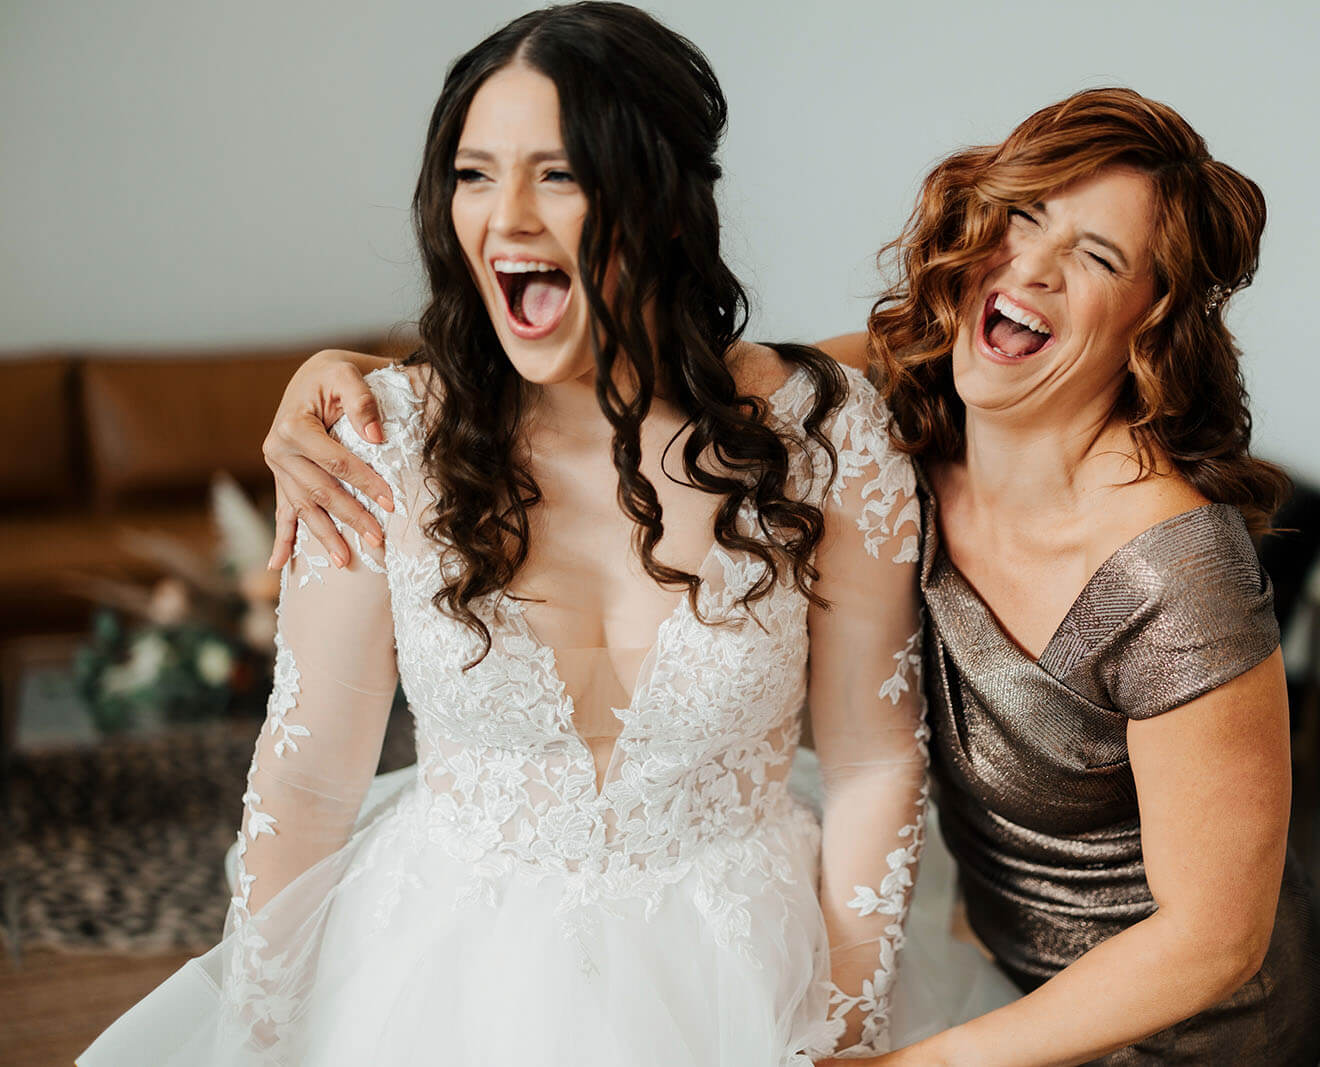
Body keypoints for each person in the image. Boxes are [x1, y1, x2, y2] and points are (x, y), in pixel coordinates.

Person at [263, 90, 1320, 1064]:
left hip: (1188, 1026)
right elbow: (645, 371)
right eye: (1021, 216)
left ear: (1153, 316)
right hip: (1014, 976)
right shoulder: (904, 392)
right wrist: (352, 385)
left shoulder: (1175, 573)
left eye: (1096, 256)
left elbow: (1215, 940)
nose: (1032, 267)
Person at [80, 5, 932, 1064]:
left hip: (753, 972)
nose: (506, 219)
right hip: (440, 982)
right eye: (473, 175)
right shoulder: (381, 441)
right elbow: (307, 782)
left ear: (665, 204)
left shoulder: (825, 436)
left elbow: (871, 760)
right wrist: (253, 1041)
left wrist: (846, 1028)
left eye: (558, 174)